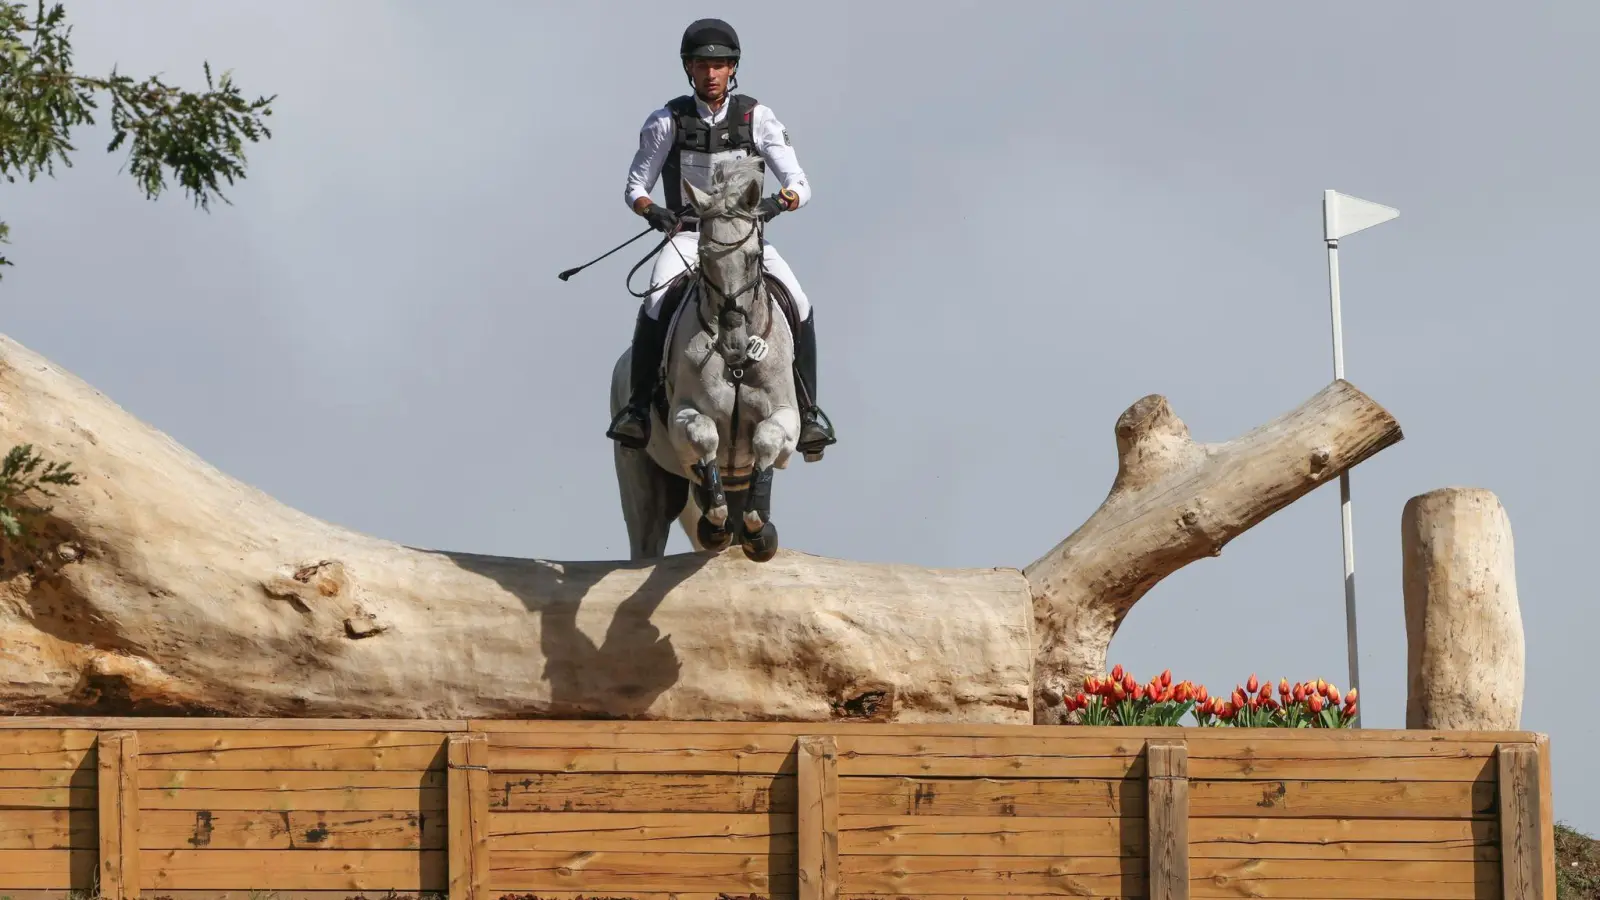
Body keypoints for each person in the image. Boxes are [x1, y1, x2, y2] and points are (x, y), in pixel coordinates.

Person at [606, 17, 836, 457]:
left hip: (745, 240)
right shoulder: (666, 121)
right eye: (701, 65)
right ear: (688, 68)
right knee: (654, 300)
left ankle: (807, 414)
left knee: (799, 300)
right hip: (690, 237)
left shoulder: (758, 118)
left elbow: (800, 184)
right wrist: (653, 211)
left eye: (720, 65)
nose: (710, 74)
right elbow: (635, 187)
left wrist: (774, 204)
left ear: (733, 68)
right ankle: (636, 409)